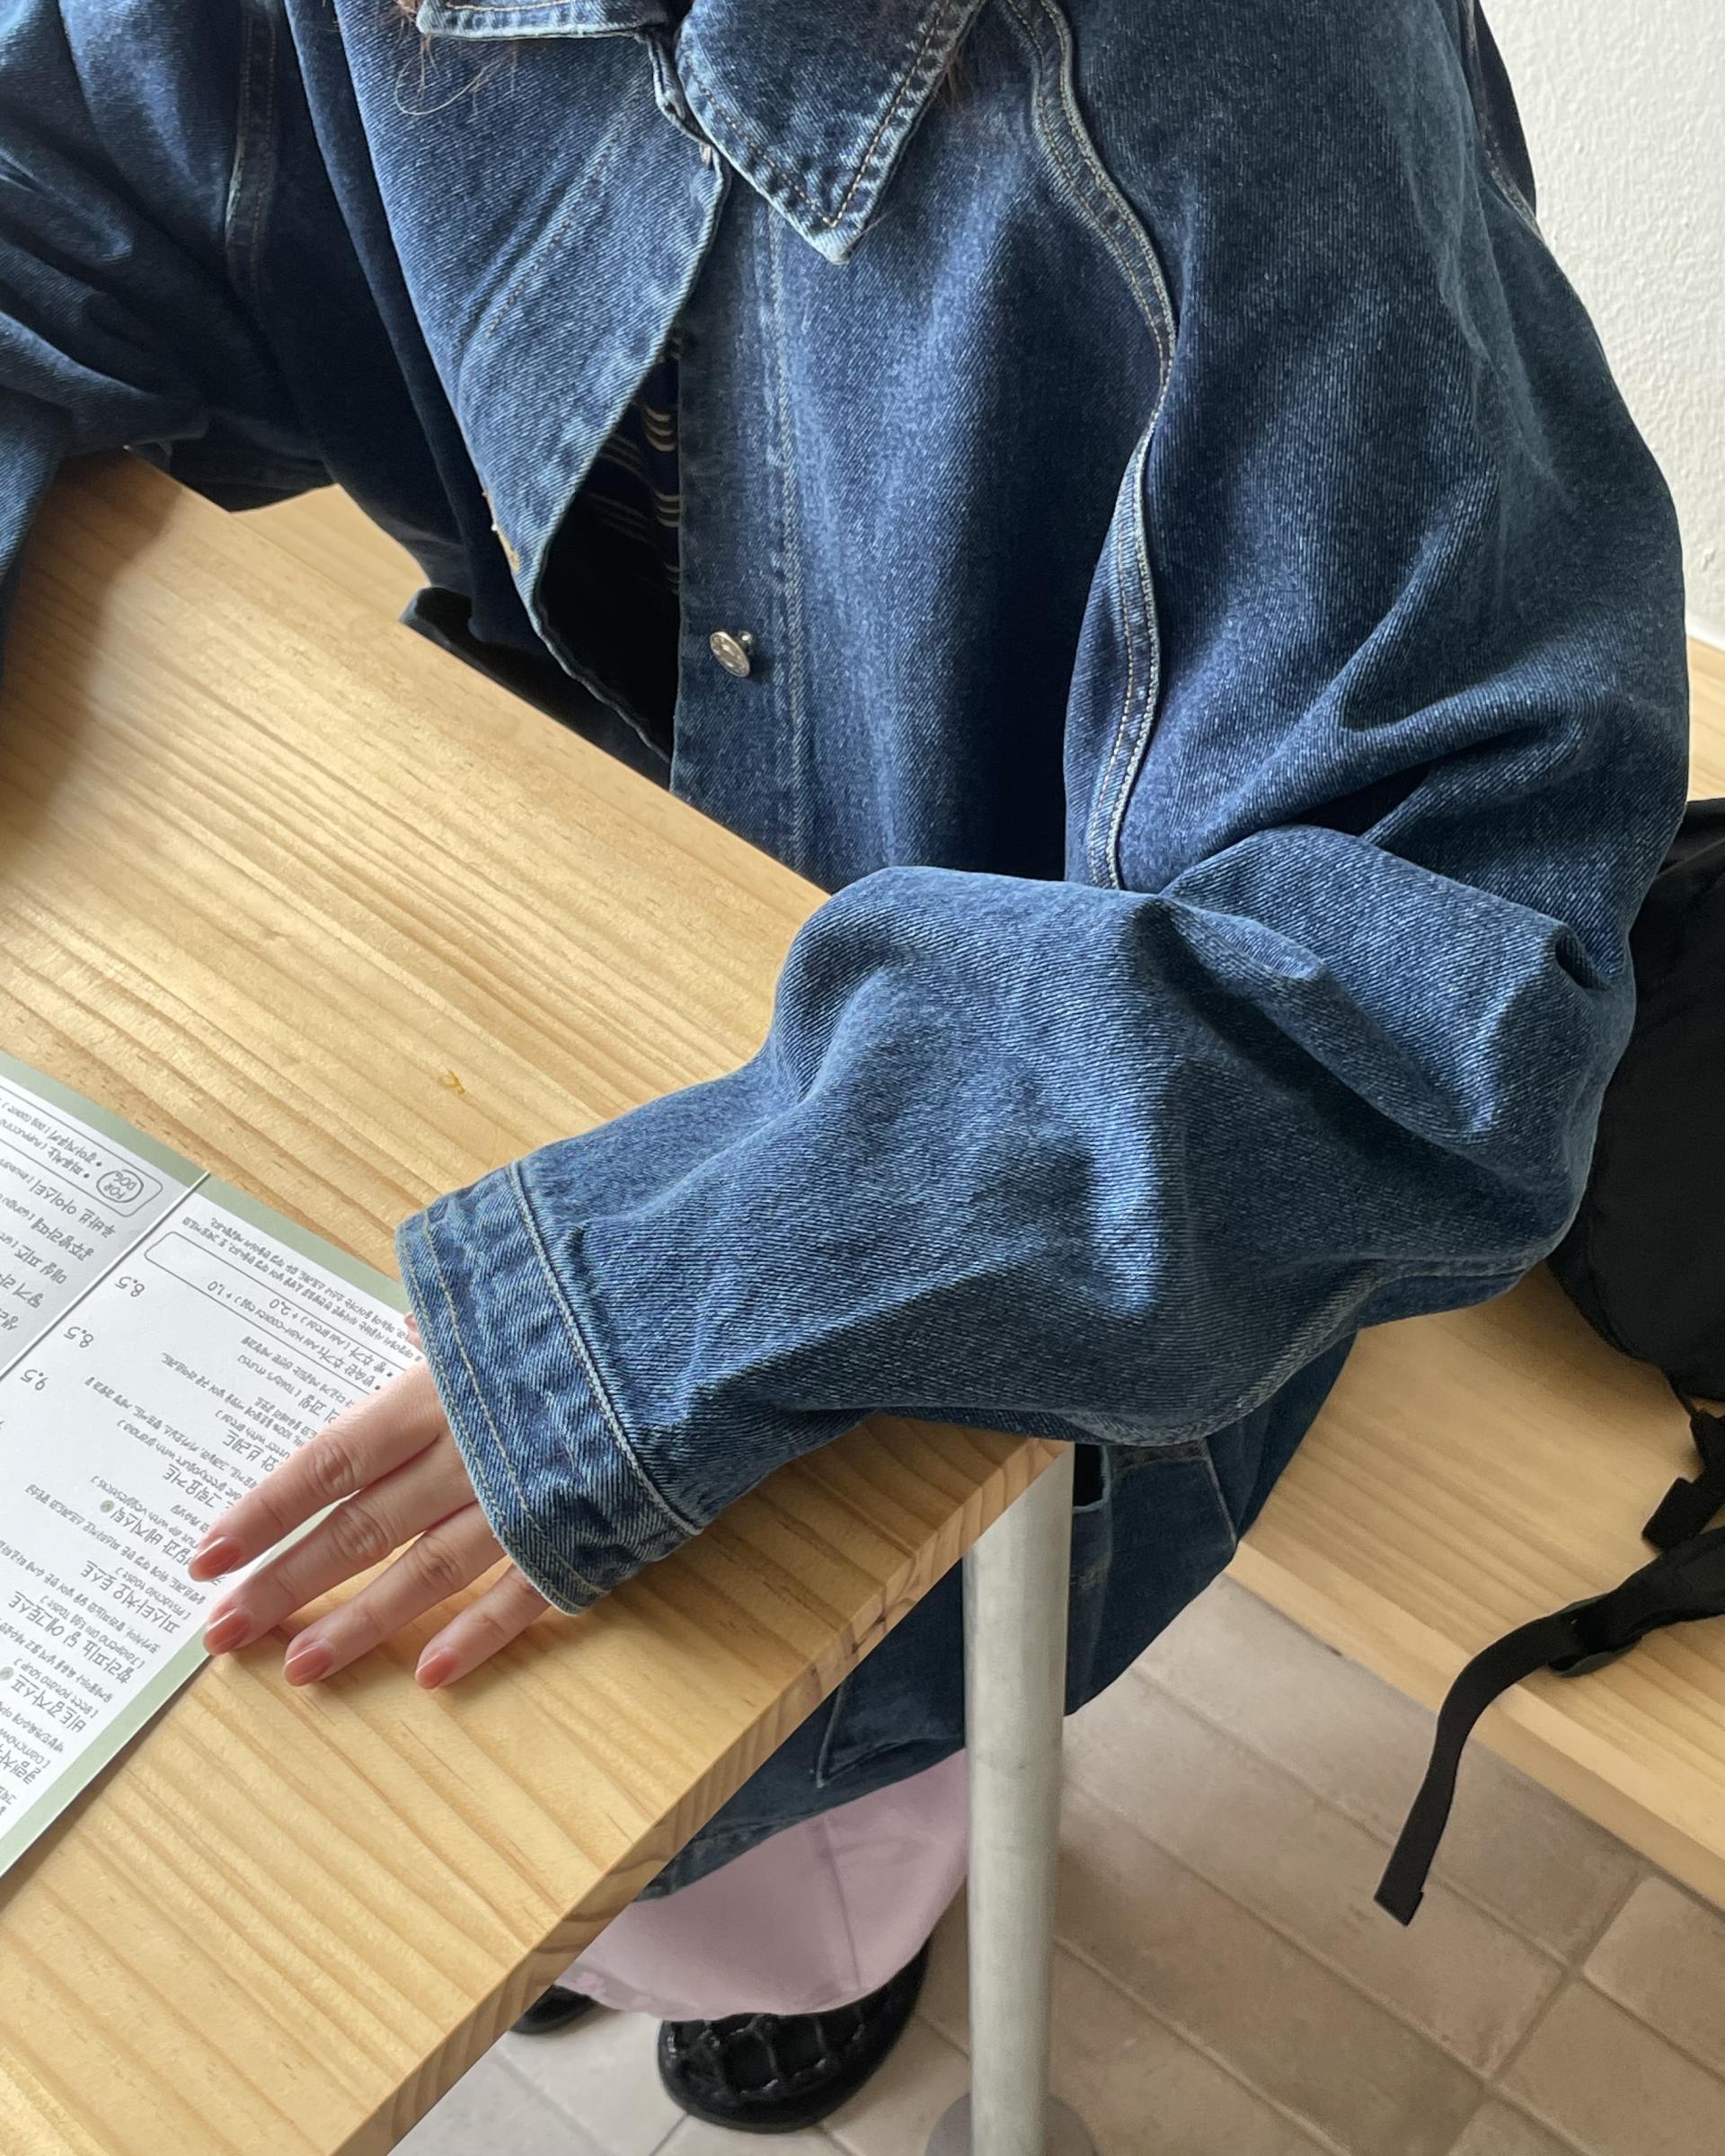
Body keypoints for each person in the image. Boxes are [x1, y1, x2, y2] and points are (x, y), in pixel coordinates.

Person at [1, 0, 1688, 2132]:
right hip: (578, 929)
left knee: (703, 1752)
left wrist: (650, 1310)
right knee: (419, 1726)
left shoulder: (1238, 68)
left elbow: (1436, 1004)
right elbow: (54, 178)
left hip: (1053, 1135)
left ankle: (813, 1930)